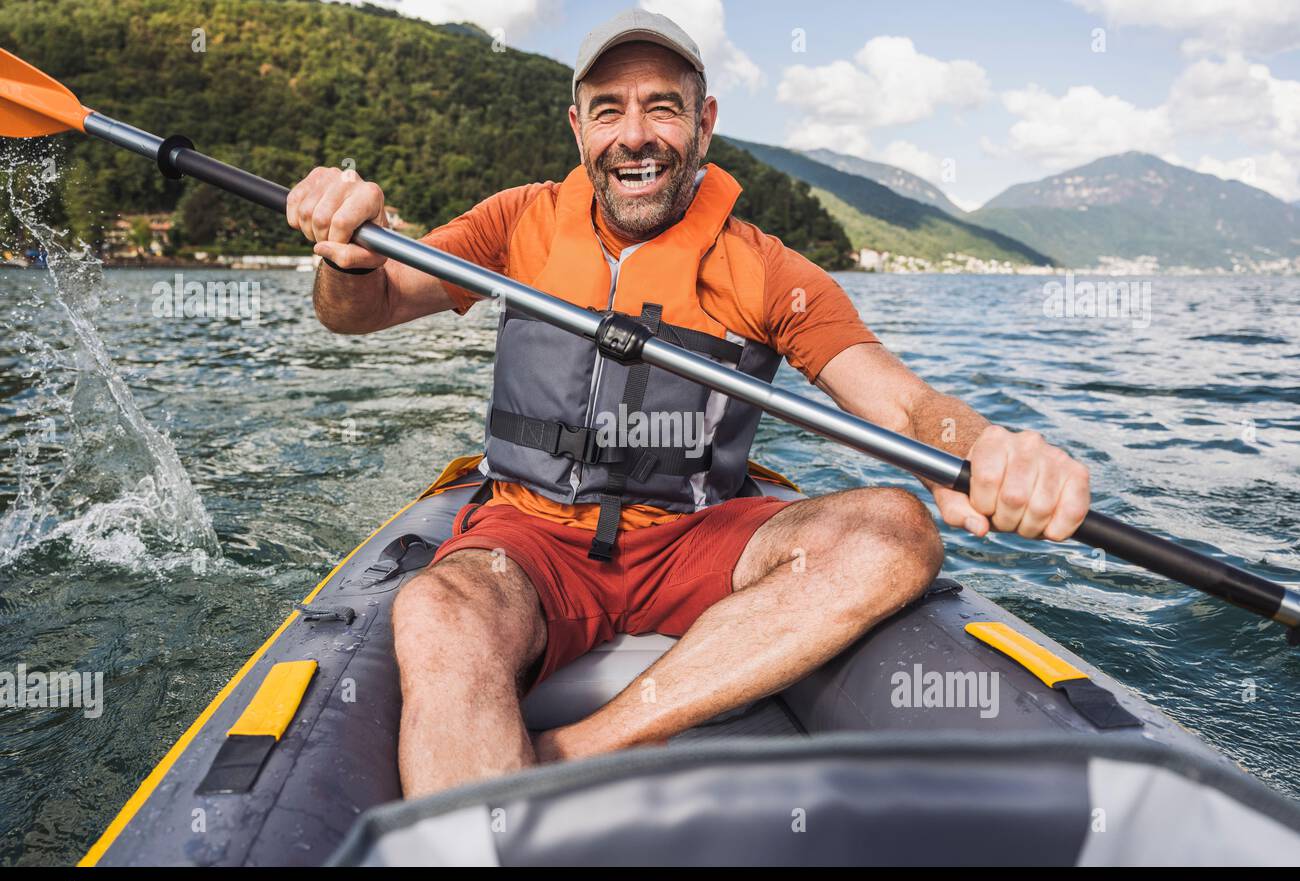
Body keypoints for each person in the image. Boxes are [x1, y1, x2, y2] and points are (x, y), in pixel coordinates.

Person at [285, 9, 1090, 797]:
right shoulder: (516, 221)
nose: (635, 134)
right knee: (438, 610)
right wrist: (347, 255)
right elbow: (367, 307)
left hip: (693, 539)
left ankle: (581, 751)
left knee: (895, 531)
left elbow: (904, 404)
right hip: (528, 535)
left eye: (662, 107)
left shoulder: (768, 271)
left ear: (703, 124)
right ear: (579, 129)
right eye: (610, 110)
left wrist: (980, 446)